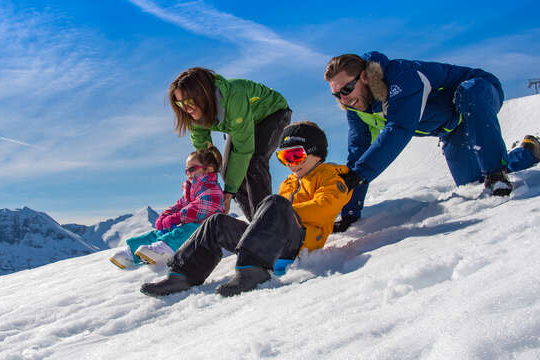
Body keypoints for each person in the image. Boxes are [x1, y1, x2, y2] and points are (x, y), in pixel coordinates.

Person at [140, 122, 353, 297]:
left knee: (275, 202)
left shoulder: (331, 176)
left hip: (300, 243)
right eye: (284, 158)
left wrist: (281, 211)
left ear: (316, 153)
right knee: (216, 223)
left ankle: (252, 270)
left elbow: (325, 207)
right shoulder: (289, 182)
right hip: (272, 242)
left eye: (295, 156)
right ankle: (182, 275)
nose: (290, 164)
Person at [324, 51, 524, 233]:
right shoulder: (357, 109)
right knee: (471, 184)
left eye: (347, 89)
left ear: (365, 77)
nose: (343, 99)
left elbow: (399, 128)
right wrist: (350, 212)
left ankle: (497, 174)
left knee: (470, 93)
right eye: (337, 95)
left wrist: (360, 174)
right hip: (453, 129)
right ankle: (529, 151)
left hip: (480, 94)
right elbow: (358, 152)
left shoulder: (401, 77)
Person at [169, 67, 291, 221]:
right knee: (229, 174)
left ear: (203, 94)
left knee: (253, 162)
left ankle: (267, 225)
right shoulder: (193, 116)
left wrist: (229, 192)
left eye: (188, 102)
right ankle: (257, 225)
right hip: (243, 125)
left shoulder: (233, 97)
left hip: (273, 112)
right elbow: (204, 155)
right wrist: (202, 186)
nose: (185, 109)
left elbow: (243, 151)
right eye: (180, 104)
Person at [109, 146, 224, 269]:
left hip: (211, 235)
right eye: (186, 171)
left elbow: (201, 207)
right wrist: (166, 215)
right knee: (163, 231)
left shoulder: (212, 189)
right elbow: (179, 205)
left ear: (209, 169)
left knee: (190, 228)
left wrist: (177, 217)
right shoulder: (192, 190)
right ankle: (134, 252)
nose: (188, 174)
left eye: (192, 169)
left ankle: (164, 249)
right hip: (195, 233)